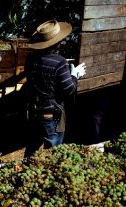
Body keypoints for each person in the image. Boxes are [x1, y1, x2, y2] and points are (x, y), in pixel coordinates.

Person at [23, 20, 86, 157]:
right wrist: (75, 76)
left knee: (31, 150)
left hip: (33, 110)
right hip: (51, 112)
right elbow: (69, 89)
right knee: (54, 150)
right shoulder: (59, 62)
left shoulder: (30, 58)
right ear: (56, 42)